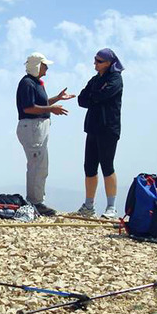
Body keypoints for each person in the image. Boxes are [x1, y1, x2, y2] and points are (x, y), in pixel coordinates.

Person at [15, 52, 75, 216]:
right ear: (36, 66)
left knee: (41, 165)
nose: (47, 68)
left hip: (36, 127)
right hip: (32, 127)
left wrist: (57, 99)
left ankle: (37, 201)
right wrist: (51, 109)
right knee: (37, 165)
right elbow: (28, 108)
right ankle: (34, 203)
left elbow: (40, 104)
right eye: (44, 65)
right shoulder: (27, 83)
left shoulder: (34, 83)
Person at [76, 48, 124, 218]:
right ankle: (89, 205)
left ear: (109, 63)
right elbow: (82, 99)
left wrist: (93, 97)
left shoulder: (116, 79)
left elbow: (102, 96)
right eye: (95, 60)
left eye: (99, 61)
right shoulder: (95, 80)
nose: (95, 63)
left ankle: (111, 207)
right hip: (92, 128)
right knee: (89, 167)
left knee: (107, 166)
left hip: (108, 129)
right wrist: (94, 97)